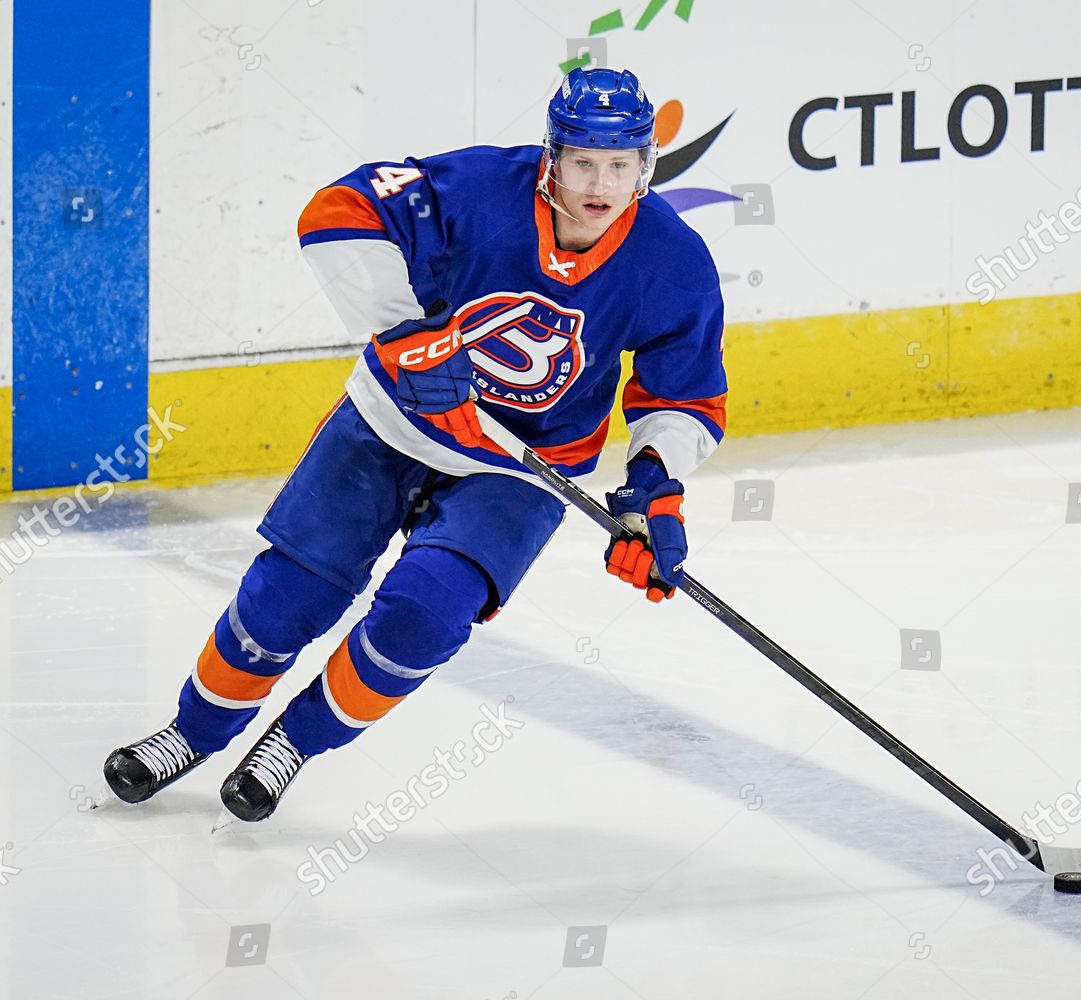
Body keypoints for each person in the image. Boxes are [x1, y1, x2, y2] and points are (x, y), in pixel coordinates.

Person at [102, 67, 727, 822]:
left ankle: (293, 743)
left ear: (646, 167)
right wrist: (407, 338)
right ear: (551, 156)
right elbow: (338, 210)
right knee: (289, 597)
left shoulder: (673, 261)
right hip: (394, 422)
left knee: (426, 615)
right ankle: (192, 733)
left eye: (620, 165)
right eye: (583, 161)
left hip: (522, 469)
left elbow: (683, 392)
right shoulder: (478, 189)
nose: (600, 183)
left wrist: (653, 490)